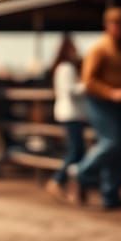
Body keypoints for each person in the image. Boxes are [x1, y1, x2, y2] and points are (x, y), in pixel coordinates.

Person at [72, 7, 121, 209]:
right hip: (101, 103)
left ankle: (110, 194)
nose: (120, 28)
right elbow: (88, 80)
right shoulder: (100, 49)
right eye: (117, 24)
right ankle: (81, 173)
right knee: (111, 143)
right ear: (108, 25)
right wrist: (111, 92)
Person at [45, 35, 86, 201]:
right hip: (71, 114)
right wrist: (88, 85)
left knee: (76, 151)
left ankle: (71, 186)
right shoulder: (67, 68)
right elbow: (71, 90)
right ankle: (57, 180)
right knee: (76, 151)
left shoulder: (61, 67)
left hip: (69, 113)